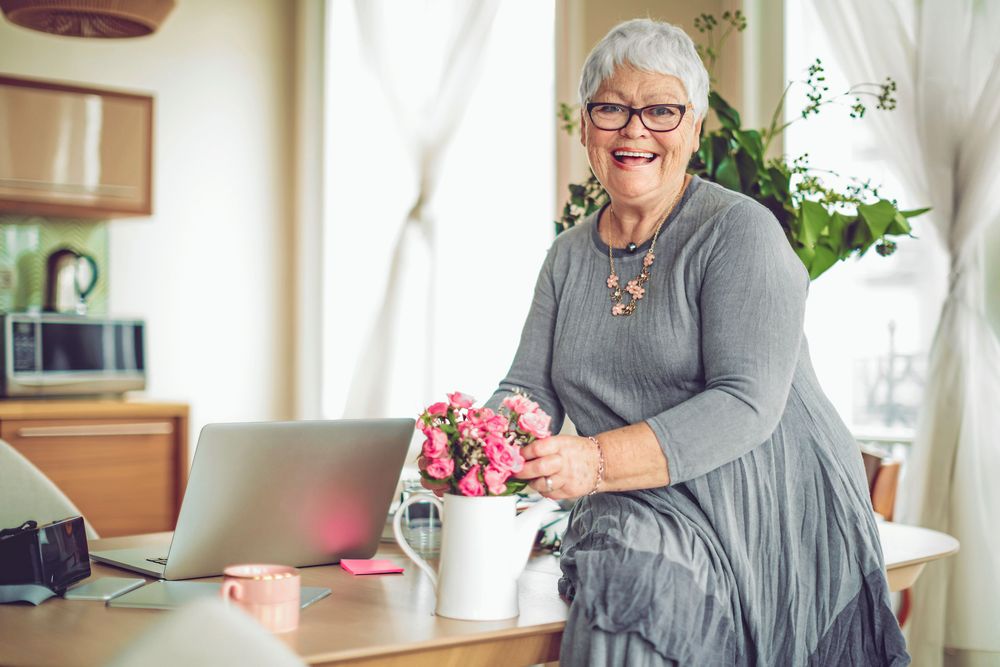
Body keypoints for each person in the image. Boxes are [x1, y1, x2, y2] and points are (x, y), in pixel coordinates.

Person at [422, 17, 909, 666]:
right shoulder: (567, 256)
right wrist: (469, 443)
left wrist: (592, 463)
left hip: (755, 507)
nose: (634, 130)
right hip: (634, 498)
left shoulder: (740, 232)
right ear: (586, 125)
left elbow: (744, 403)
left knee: (632, 580)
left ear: (695, 127)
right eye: (612, 109)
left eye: (661, 110)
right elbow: (528, 387)